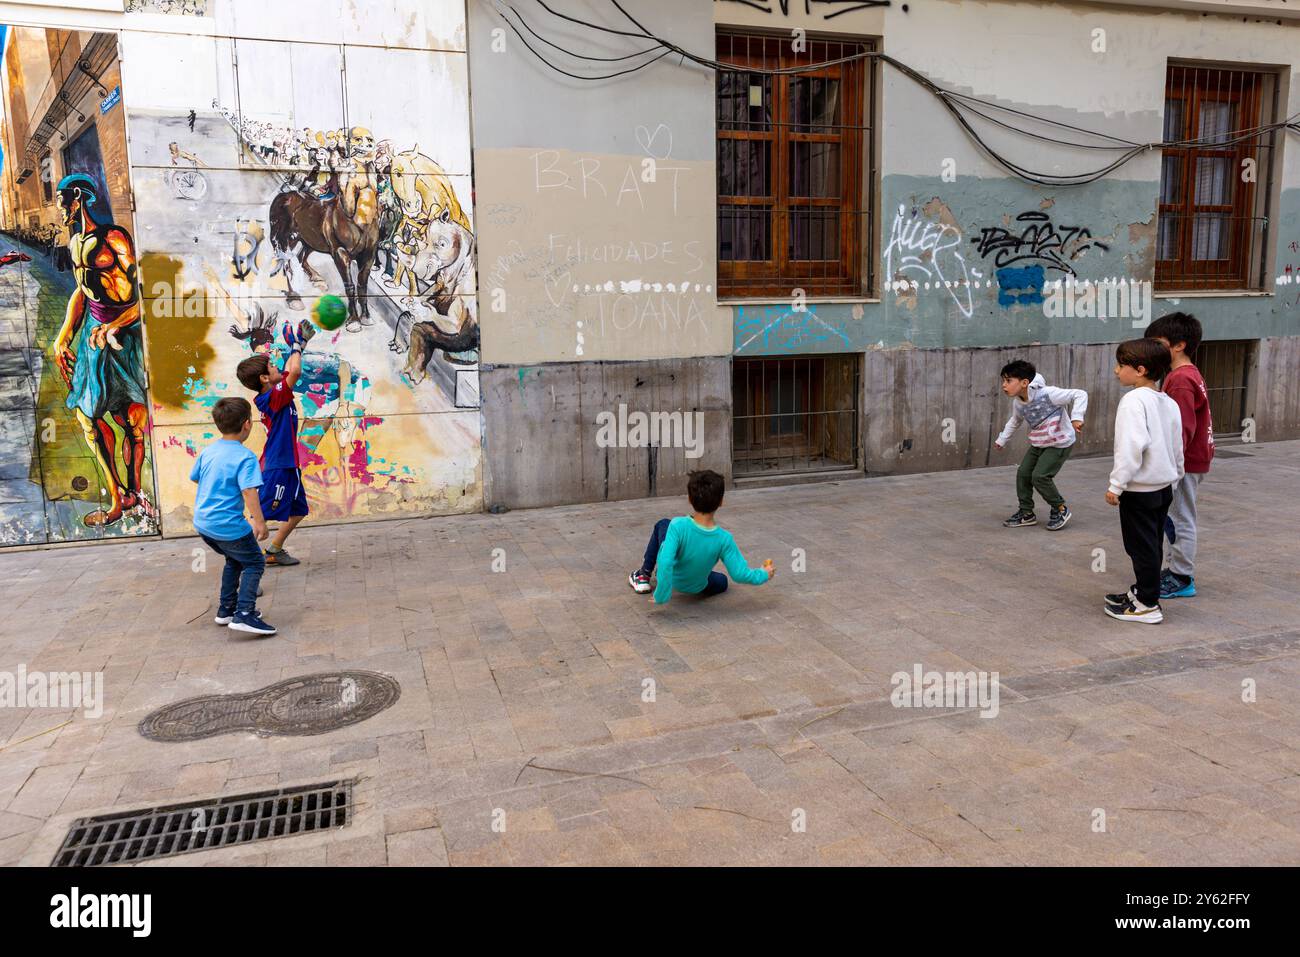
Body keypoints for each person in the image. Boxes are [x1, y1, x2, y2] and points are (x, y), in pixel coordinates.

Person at [50, 173, 154, 527]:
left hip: (122, 335)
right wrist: (64, 333)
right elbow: (83, 291)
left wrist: (115, 325)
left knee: (131, 420)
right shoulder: (76, 241)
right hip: (94, 336)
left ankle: (135, 494)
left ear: (77, 197)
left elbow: (142, 292)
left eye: (62, 200)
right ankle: (116, 497)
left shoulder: (113, 237)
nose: (60, 208)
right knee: (88, 418)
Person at [1104, 339, 1185, 624]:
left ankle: (1147, 605)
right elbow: (1178, 445)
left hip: (1139, 491)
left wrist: (1116, 485)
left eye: (1121, 365)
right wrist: (1176, 477)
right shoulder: (1168, 401)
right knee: (1151, 544)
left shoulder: (1133, 401)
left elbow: (1130, 448)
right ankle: (1141, 593)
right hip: (1163, 488)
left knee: (1141, 548)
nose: (1116, 371)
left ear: (1140, 370)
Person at [190, 397, 276, 636]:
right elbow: (249, 491)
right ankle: (245, 614)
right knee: (254, 562)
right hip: (228, 525)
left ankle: (227, 609)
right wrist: (259, 521)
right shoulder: (245, 457)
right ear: (247, 424)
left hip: (204, 523)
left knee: (235, 559)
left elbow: (196, 477)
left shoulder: (209, 451)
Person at [1144, 313, 1213, 599]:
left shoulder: (1181, 380)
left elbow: (1181, 427)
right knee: (1177, 516)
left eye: (1158, 343)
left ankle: (1182, 576)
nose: (1153, 348)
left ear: (1179, 345)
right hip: (1187, 460)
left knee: (1179, 518)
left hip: (1183, 463)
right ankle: (1175, 569)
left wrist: (1170, 464)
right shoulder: (1184, 375)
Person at [235, 320, 315, 566]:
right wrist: (295, 347)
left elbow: (291, 371)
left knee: (298, 510)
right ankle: (239, 557)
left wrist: (300, 344)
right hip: (277, 465)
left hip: (288, 464)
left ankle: (274, 550)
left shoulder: (275, 392)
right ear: (263, 378)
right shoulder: (273, 397)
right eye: (271, 365)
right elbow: (296, 372)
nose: (276, 365)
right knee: (261, 515)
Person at [628, 469, 774, 604]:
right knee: (723, 581)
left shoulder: (677, 525)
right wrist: (763, 574)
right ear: (721, 502)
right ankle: (695, 571)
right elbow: (740, 574)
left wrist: (662, 595)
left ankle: (643, 575)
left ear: (690, 499)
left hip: (671, 578)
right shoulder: (724, 538)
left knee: (662, 524)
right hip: (697, 586)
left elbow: (666, 562)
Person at [993, 359, 1089, 531]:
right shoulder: (1018, 403)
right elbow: (1015, 421)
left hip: (1059, 442)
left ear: (1024, 382)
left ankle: (1060, 509)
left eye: (1008, 381)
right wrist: (1002, 439)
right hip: (1039, 443)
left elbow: (1080, 393)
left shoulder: (1048, 394)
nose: (1004, 385)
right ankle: (1026, 513)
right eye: (1003, 381)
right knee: (1023, 474)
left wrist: (1077, 417)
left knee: (1040, 476)